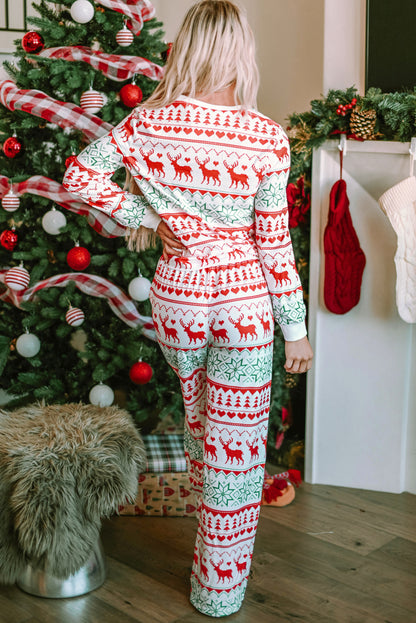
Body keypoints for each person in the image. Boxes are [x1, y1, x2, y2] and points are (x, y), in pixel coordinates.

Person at [63, 0, 313, 616]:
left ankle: (210, 556)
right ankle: (217, 589)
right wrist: (297, 330)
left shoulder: (148, 125)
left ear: (191, 46)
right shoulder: (265, 137)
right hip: (245, 300)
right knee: (239, 443)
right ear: (240, 52)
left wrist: (144, 216)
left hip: (180, 291)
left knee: (202, 422)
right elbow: (274, 244)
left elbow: (78, 175)